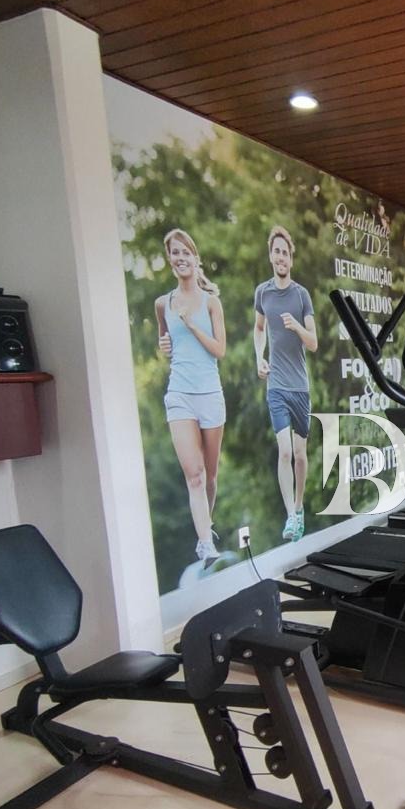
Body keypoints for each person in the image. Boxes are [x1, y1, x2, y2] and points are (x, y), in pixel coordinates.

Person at [155, 229, 227, 567]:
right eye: (175, 252)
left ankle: (205, 530)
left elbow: (220, 350)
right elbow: (166, 344)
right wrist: (164, 345)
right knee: (194, 475)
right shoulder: (163, 304)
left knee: (209, 477)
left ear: (195, 259)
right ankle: (206, 545)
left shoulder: (211, 303)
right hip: (179, 394)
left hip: (210, 394)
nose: (181, 257)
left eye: (186, 252)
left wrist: (192, 325)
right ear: (170, 259)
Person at [253, 225, 318, 543]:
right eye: (276, 251)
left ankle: (300, 506)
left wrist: (296, 328)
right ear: (271, 256)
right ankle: (291, 516)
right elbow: (258, 328)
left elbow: (314, 343)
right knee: (284, 452)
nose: (280, 257)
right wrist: (259, 357)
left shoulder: (301, 295)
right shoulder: (262, 293)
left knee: (300, 455)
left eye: (285, 252)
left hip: (300, 387)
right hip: (276, 386)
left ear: (291, 259)